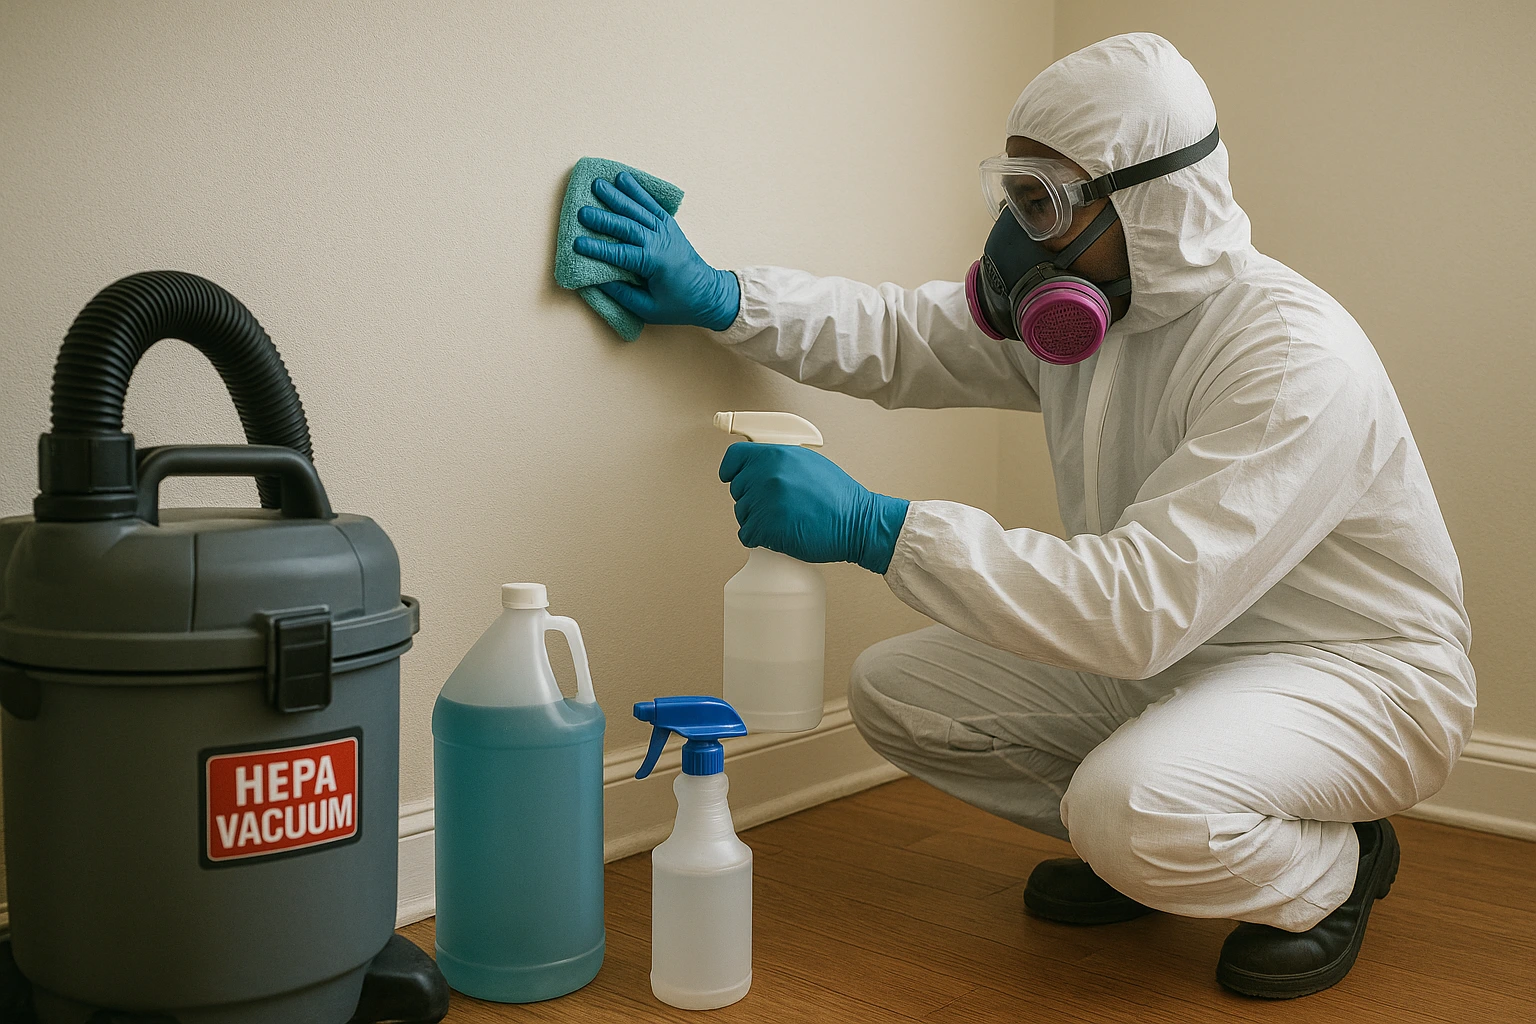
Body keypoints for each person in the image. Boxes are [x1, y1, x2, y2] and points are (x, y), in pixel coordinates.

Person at [572, 33, 1474, 999]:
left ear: (1150, 202)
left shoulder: (1293, 360)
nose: (1012, 239)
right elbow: (904, 334)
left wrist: (880, 526)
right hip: (1185, 657)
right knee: (896, 690)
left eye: (1041, 205)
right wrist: (723, 298)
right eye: (1012, 195)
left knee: (1132, 812)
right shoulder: (1103, 312)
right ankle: (1157, 835)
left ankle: (1329, 871)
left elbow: (1136, 607)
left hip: (1354, 676)